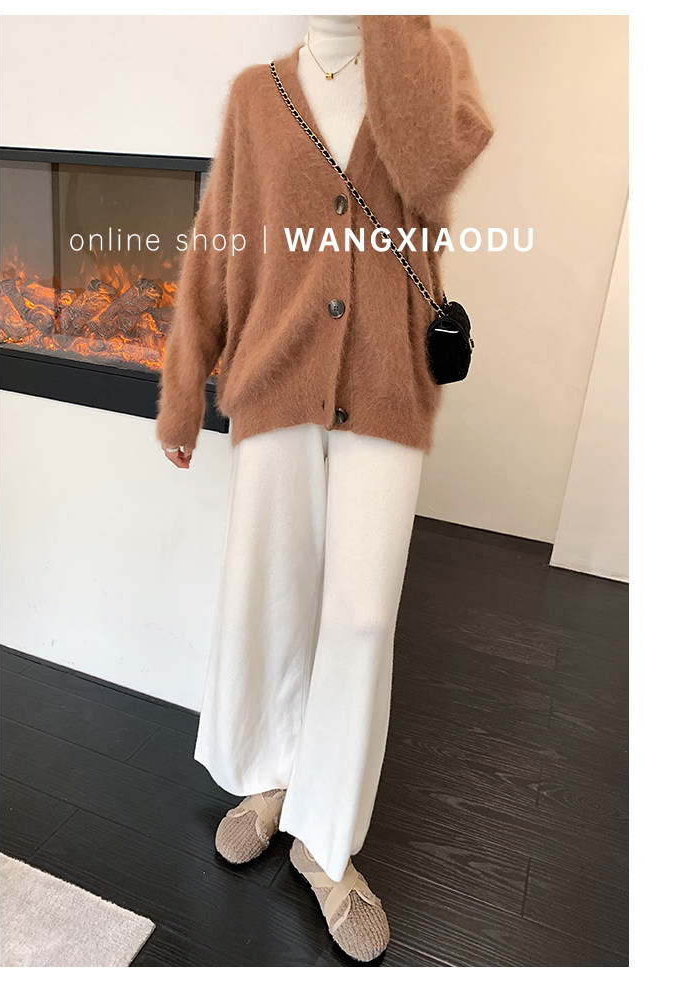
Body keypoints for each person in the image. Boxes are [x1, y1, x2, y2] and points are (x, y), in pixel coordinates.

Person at [156, 14, 494, 963]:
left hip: (389, 386)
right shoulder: (254, 95)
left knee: (361, 619)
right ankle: (270, 777)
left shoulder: (431, 61)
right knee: (273, 595)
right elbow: (219, 245)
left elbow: (432, 168)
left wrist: (397, 29)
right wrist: (184, 387)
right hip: (275, 381)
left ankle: (325, 839)